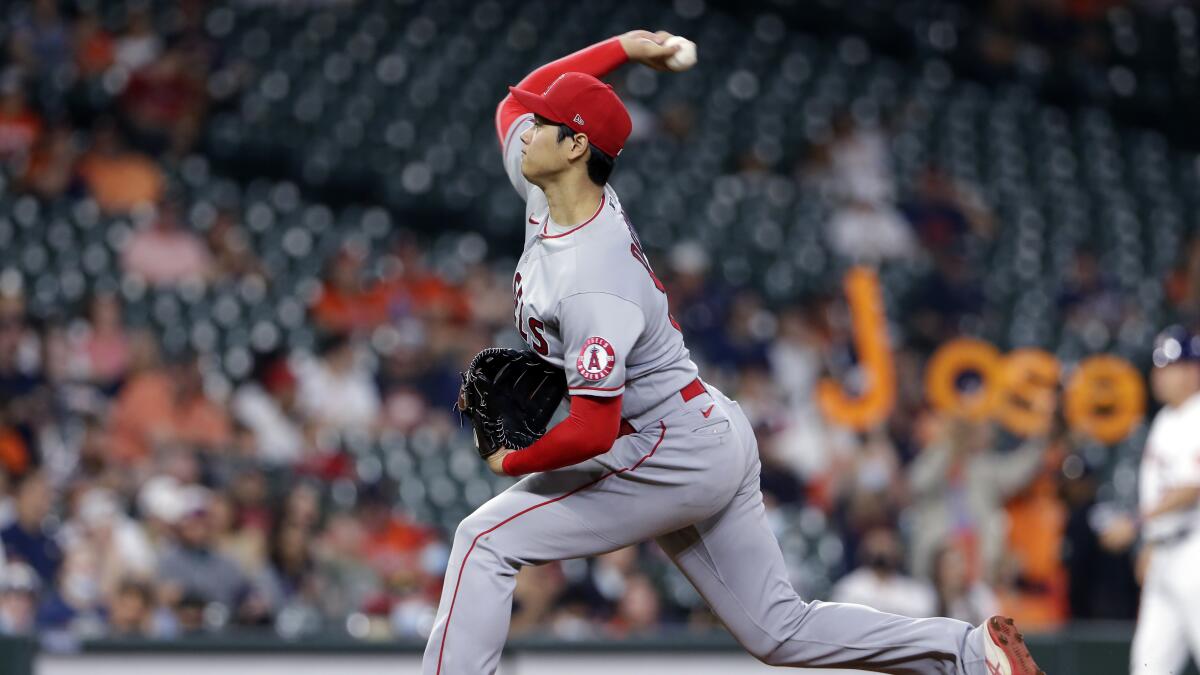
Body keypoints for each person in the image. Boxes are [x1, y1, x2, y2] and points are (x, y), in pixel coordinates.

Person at [421, 30, 1043, 675]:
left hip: (666, 449)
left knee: (482, 541)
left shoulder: (593, 275)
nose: (526, 131)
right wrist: (624, 50)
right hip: (701, 426)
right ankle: (969, 652)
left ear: (577, 146)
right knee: (778, 632)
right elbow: (511, 103)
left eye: (546, 125)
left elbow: (593, 428)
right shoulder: (547, 189)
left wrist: (511, 459)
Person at [1125, 326, 1200, 673]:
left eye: (1168, 366)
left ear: (1192, 370)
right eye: (1157, 367)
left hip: (1193, 553)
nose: (1159, 376)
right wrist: (1151, 542)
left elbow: (1192, 486)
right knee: (1148, 667)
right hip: (1165, 557)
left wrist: (1138, 522)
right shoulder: (1166, 419)